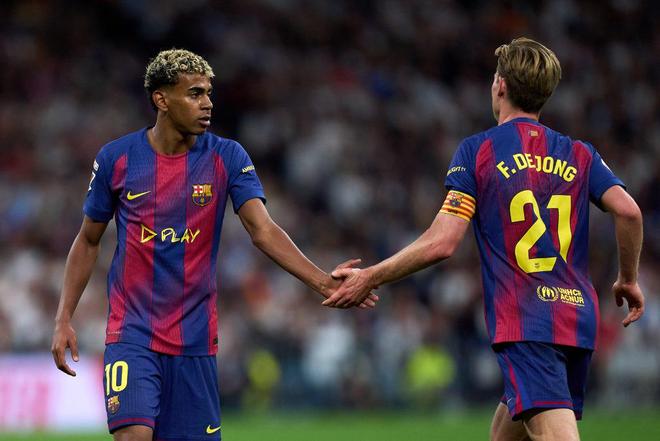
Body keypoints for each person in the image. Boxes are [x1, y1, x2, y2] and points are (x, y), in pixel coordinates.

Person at [324, 37, 645, 441]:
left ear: (500, 85)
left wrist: (371, 276)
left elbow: (442, 242)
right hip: (576, 316)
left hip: (527, 321)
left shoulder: (479, 151)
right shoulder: (579, 153)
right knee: (505, 434)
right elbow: (629, 212)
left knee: (555, 436)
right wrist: (628, 279)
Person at [51, 48, 377, 441]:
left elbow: (263, 229)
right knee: (133, 435)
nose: (207, 104)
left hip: (196, 342)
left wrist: (323, 282)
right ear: (161, 99)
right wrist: (64, 317)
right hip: (132, 334)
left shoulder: (227, 156)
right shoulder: (117, 159)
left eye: (208, 93)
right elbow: (88, 240)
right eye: (194, 93)